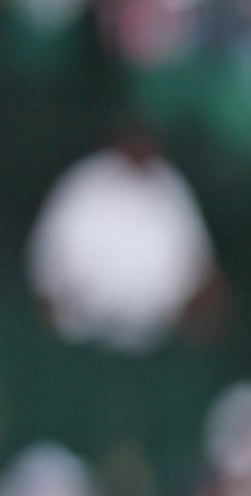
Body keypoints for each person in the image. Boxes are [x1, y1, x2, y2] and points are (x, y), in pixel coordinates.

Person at [23, 126, 224, 352]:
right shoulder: (89, 182)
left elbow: (200, 269)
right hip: (78, 332)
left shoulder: (171, 188)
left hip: (128, 343)